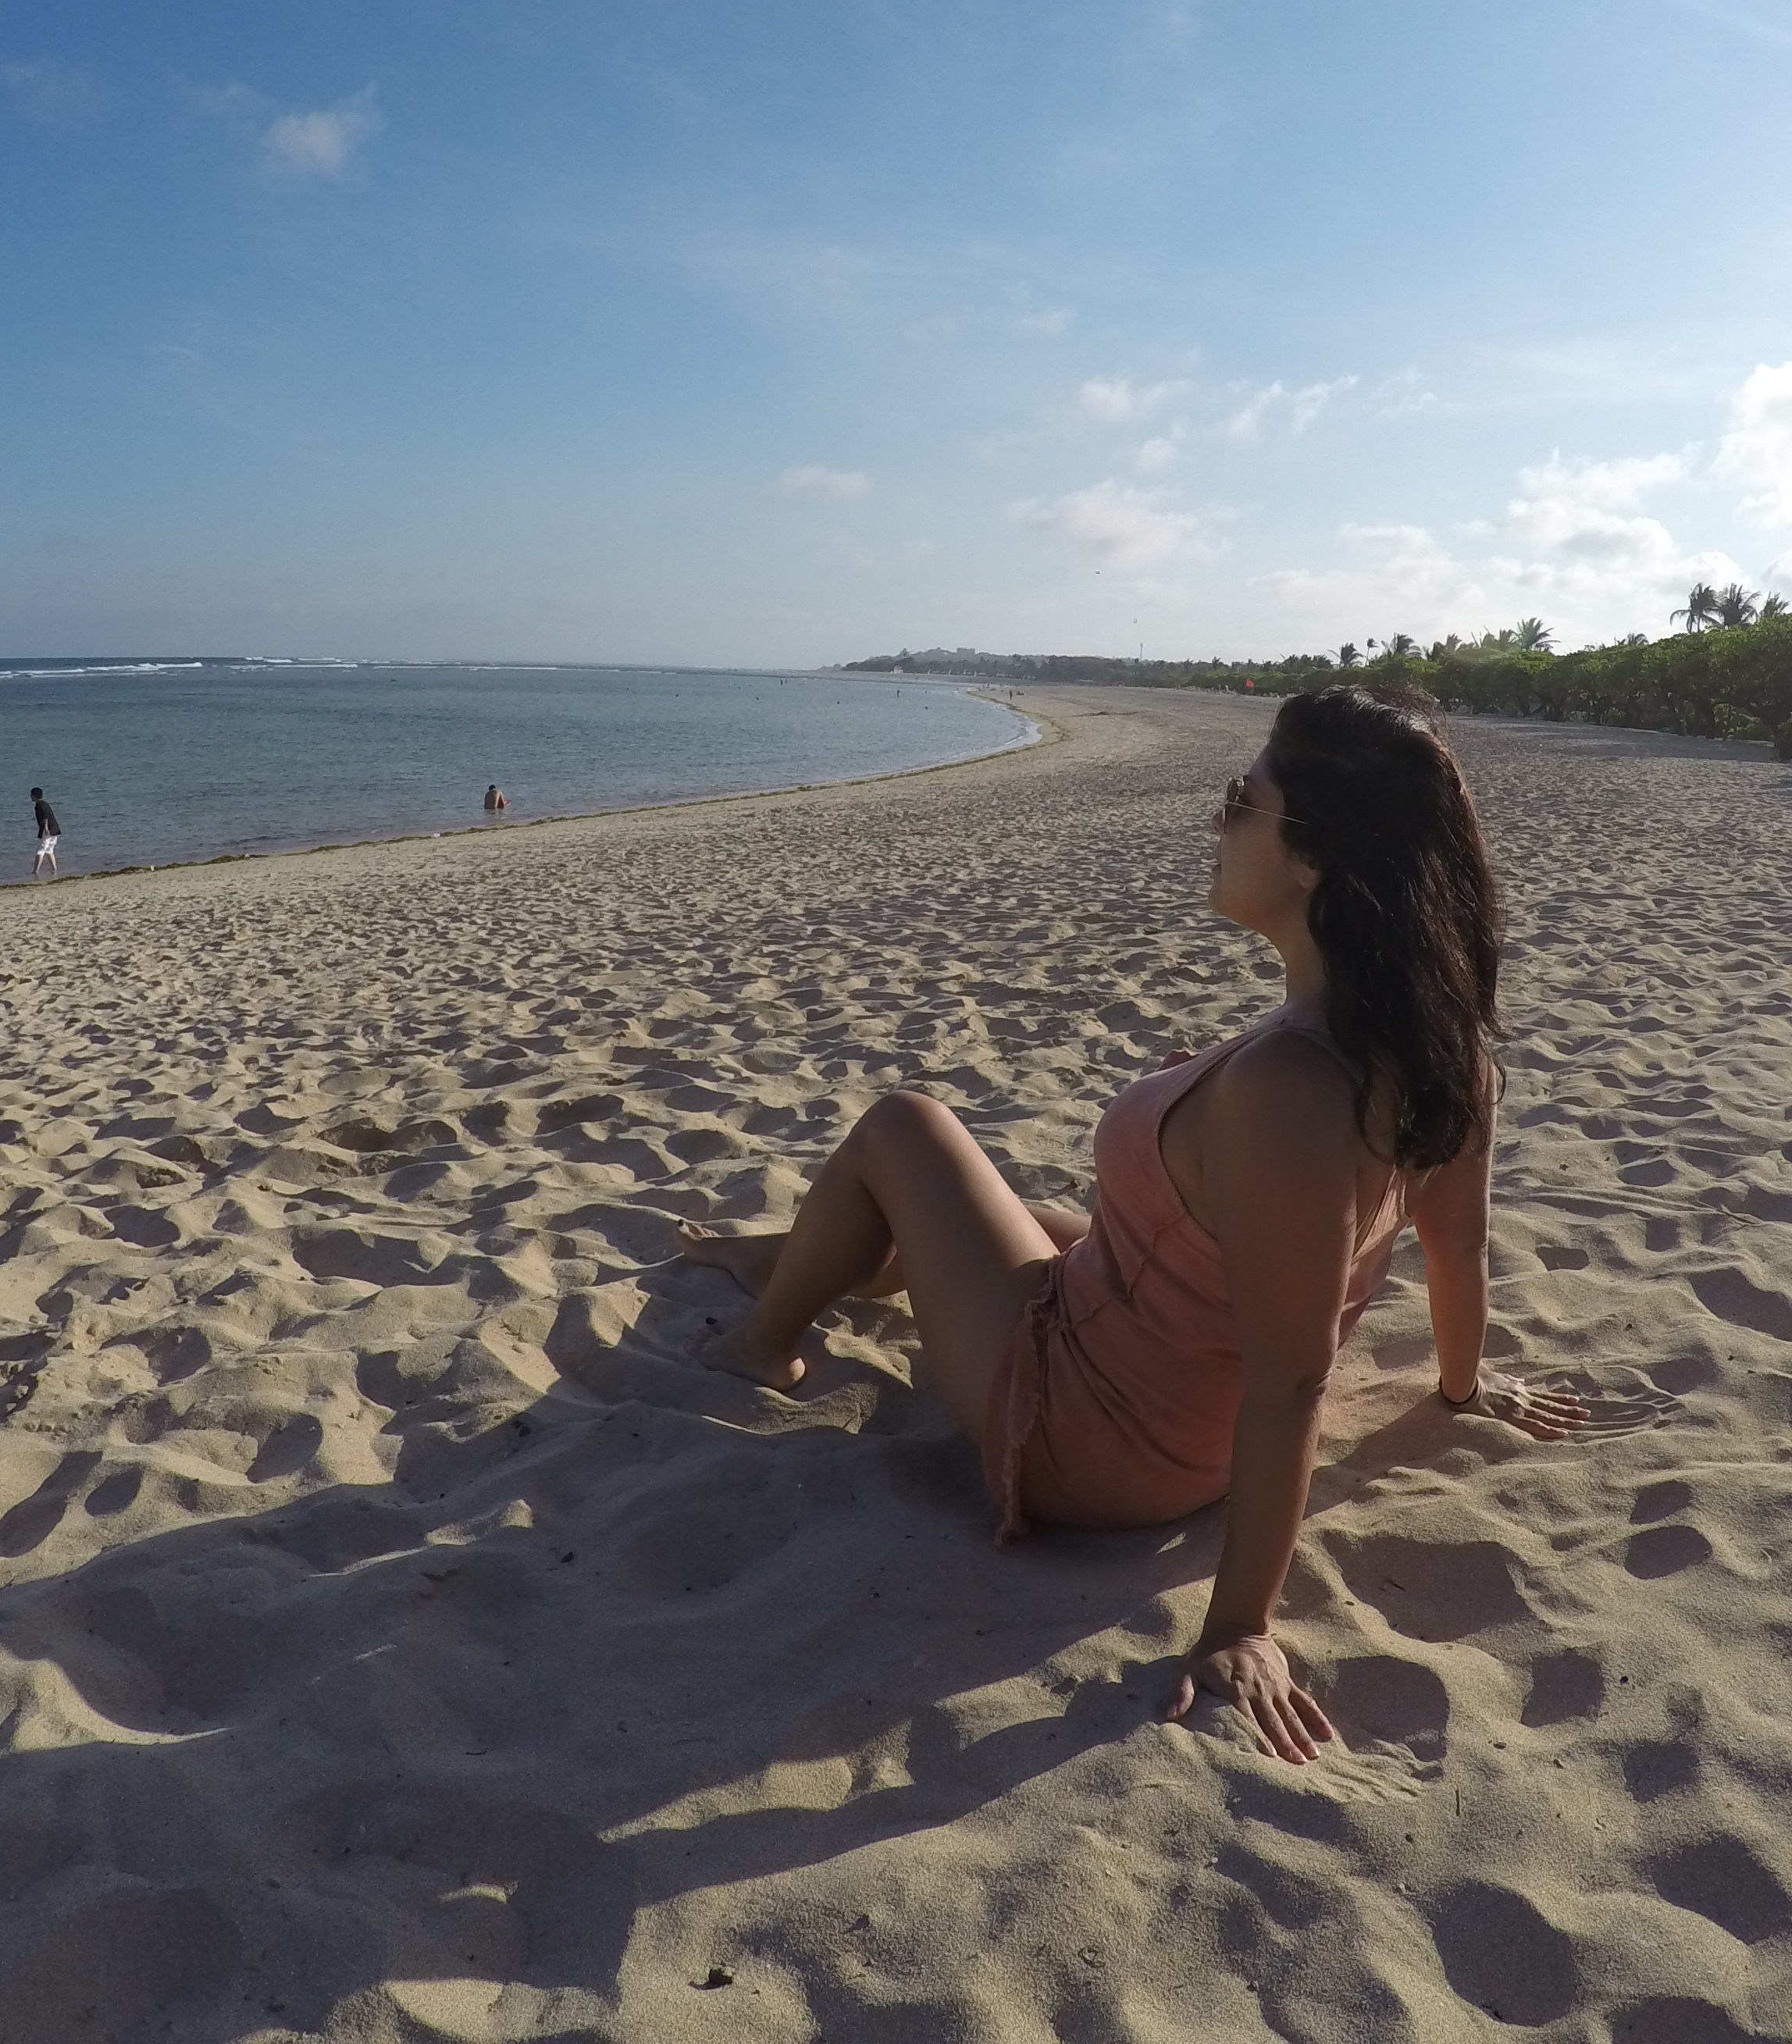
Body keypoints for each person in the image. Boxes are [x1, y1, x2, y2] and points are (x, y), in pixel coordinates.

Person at [678, 685, 1584, 1763]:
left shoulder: (1288, 1088)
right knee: (1029, 1218)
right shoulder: (1441, 1052)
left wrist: (1240, 1626)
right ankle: (801, 1257)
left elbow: (1293, 1384)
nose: (1218, 819)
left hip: (1091, 1438)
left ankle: (762, 1343)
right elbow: (1454, 1246)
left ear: (1312, 856)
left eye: (1240, 799)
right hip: (1168, 1368)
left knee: (904, 1127)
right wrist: (1464, 1387)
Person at [30, 787, 60, 879]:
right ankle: (54, 869)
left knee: (40, 851)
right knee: (49, 850)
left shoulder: (39, 805)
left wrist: (46, 828)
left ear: (34, 796)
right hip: (55, 829)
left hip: (47, 830)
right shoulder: (45, 804)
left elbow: (44, 816)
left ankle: (35, 871)